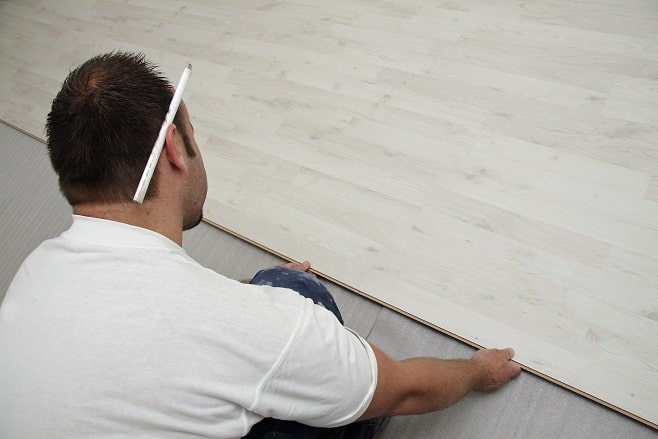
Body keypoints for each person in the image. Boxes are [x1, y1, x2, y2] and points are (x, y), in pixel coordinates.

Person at [0, 52, 521, 439]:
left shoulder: (32, 277)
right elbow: (404, 388)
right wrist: (478, 370)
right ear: (175, 152)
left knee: (277, 291)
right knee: (303, 296)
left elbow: (146, 326)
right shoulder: (258, 331)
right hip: (272, 343)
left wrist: (251, 297)